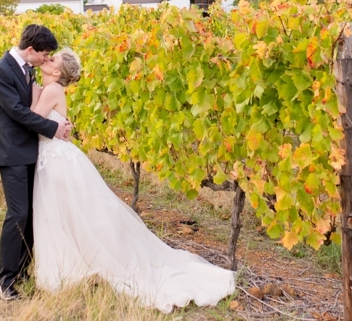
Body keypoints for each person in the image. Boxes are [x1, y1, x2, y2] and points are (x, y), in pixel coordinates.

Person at [29, 48, 237, 312]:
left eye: (53, 58)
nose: (47, 58)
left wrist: (34, 95)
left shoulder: (50, 90)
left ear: (57, 72)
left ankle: (70, 269)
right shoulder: (51, 88)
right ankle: (74, 265)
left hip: (56, 162)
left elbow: (31, 121)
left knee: (65, 215)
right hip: (56, 158)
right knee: (71, 215)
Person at [0, 24, 72, 300]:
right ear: (30, 50)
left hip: (34, 153)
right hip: (12, 154)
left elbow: (38, 103)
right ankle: (5, 280)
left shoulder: (29, 68)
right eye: (45, 54)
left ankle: (23, 270)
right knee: (18, 214)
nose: (47, 59)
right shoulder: (0, 72)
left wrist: (58, 123)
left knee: (33, 214)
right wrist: (53, 128)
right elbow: (18, 112)